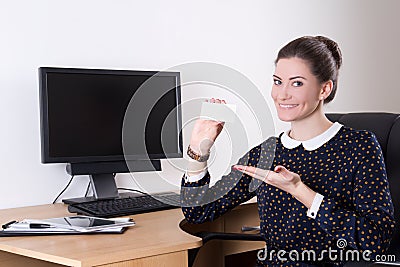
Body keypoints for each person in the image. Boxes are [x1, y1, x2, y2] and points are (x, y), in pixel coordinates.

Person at [180, 36, 395, 266]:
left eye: (297, 83)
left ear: (325, 89)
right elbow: (198, 213)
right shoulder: (267, 152)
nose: (281, 94)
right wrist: (198, 151)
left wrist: (299, 190)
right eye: (277, 81)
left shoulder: (359, 146)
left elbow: (376, 240)